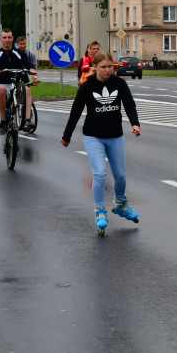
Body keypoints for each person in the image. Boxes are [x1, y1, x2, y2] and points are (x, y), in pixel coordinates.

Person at [60, 51, 141, 233]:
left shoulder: (119, 84)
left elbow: (129, 104)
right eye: (103, 67)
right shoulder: (87, 87)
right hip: (93, 136)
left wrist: (135, 124)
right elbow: (75, 112)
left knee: (120, 175)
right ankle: (100, 211)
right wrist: (67, 136)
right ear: (94, 67)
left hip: (115, 136)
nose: (107, 70)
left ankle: (120, 204)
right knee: (100, 174)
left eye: (110, 66)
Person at [0, 28, 36, 135]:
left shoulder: (19, 53)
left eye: (9, 37)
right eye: (4, 37)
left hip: (18, 84)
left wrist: (31, 69)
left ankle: (27, 121)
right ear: (0, 39)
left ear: (12, 38)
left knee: (27, 90)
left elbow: (27, 63)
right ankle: (3, 121)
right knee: (1, 89)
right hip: (2, 83)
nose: (7, 40)